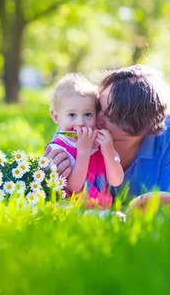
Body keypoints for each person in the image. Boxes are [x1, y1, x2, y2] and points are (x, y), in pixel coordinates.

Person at [45, 65, 170, 201]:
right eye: (98, 107)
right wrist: (50, 176)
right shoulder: (80, 123)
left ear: (142, 125)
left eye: (111, 116)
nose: (98, 120)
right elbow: (55, 193)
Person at [47, 73, 123, 208]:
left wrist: (109, 152)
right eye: (72, 115)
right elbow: (74, 186)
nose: (80, 122)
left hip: (102, 209)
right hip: (75, 211)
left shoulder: (100, 143)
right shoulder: (58, 148)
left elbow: (116, 181)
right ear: (56, 117)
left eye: (88, 114)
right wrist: (83, 152)